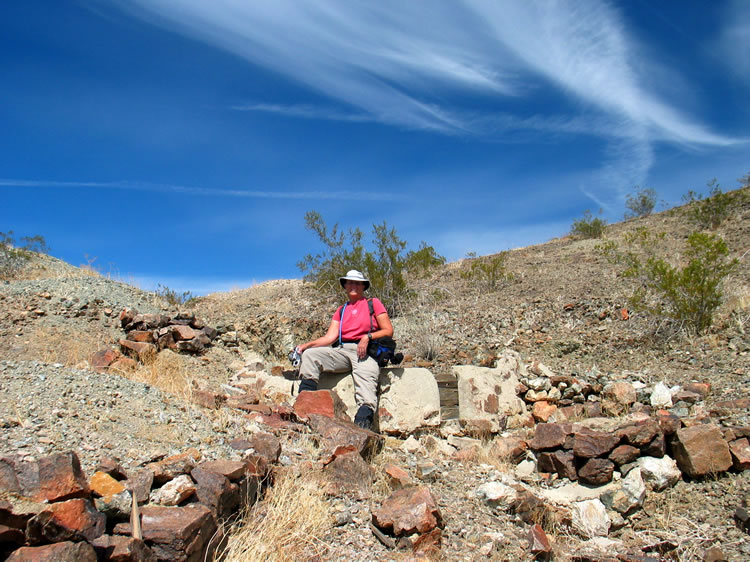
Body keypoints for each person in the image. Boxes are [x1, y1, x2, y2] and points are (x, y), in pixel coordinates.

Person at [295, 269, 393, 430]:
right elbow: (329, 338)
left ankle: (363, 422)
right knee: (311, 355)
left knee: (367, 376)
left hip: (365, 349)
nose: (353, 285)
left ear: (363, 286)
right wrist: (305, 346)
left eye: (357, 283)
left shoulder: (373, 303)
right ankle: (305, 402)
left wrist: (367, 337)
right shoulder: (341, 310)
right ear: (345, 286)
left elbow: (388, 330)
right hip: (341, 350)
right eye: (350, 282)